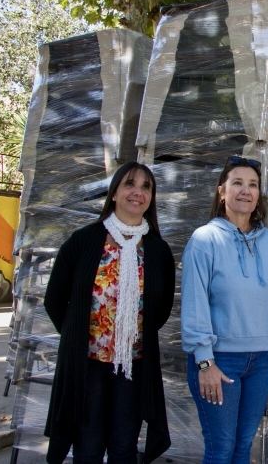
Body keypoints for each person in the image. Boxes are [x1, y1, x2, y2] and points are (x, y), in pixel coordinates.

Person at [43, 162, 176, 464]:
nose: (138, 192)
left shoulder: (157, 250)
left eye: (146, 187)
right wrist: (78, 338)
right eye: (130, 184)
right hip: (88, 366)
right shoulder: (84, 241)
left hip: (133, 367)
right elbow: (54, 299)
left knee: (123, 448)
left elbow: (162, 307)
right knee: (88, 448)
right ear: (114, 193)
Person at [181, 155, 268, 464]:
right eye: (237, 183)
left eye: (253, 185)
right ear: (221, 191)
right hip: (219, 361)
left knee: (243, 448)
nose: (246, 191)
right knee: (221, 450)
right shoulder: (204, 240)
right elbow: (194, 304)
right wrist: (204, 363)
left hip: (263, 361)